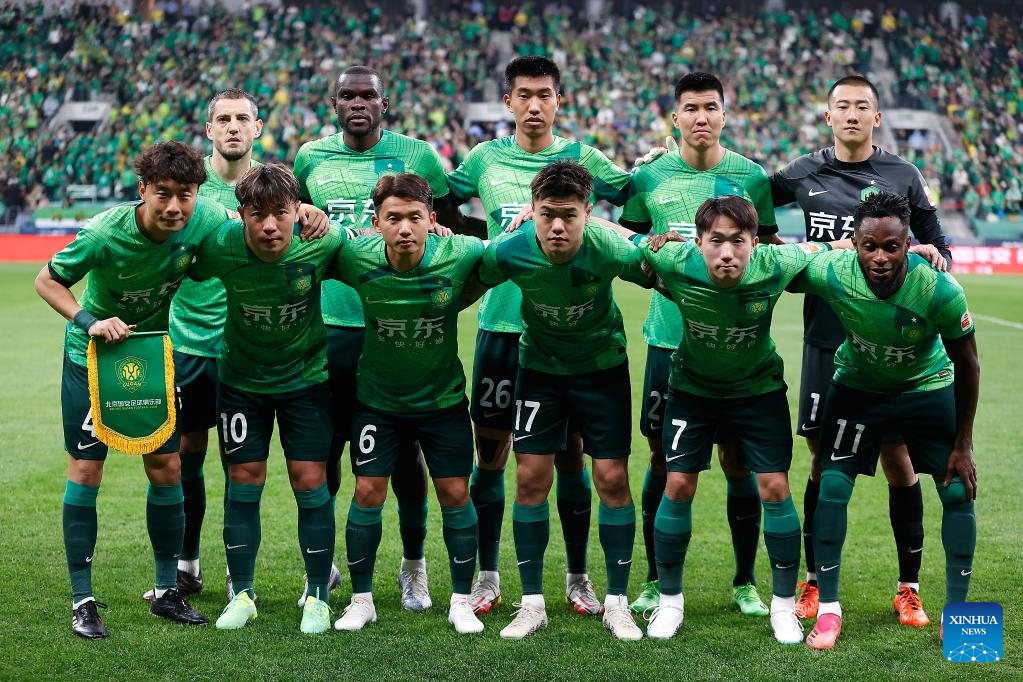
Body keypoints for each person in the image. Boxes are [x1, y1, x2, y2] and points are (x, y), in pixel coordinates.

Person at [447, 56, 633, 616]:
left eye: (544, 95)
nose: (534, 105)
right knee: (491, 454)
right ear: (508, 101)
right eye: (524, 95)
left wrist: (654, 166)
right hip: (500, 329)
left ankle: (578, 578)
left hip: (562, 341)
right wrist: (480, 236)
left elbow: (638, 195)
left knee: (571, 456)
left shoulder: (584, 159)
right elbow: (440, 204)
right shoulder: (484, 157)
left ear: (558, 100)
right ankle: (487, 575)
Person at [293, 65, 479, 610]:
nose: (357, 103)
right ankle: (324, 564)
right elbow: (298, 221)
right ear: (334, 105)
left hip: (402, 330)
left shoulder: (418, 156)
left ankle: (413, 566)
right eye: (347, 95)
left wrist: (442, 230)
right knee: (327, 451)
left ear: (384, 102)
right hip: (331, 327)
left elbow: (449, 225)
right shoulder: (310, 157)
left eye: (367, 95)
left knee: (407, 456)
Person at [769, 75, 952, 625]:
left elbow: (939, 245)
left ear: (877, 116)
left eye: (862, 106)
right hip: (826, 341)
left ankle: (908, 587)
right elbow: (748, 216)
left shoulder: (904, 175)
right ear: (828, 116)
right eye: (842, 106)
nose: (852, 114)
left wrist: (929, 254)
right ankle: (813, 582)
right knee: (822, 461)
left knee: (899, 461)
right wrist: (797, 249)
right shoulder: (801, 173)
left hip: (887, 346)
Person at [639, 194, 852, 644]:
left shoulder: (776, 261)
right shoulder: (673, 258)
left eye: (738, 241)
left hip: (758, 392)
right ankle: (670, 602)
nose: (727, 252)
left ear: (755, 243)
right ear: (697, 242)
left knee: (774, 487)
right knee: (678, 485)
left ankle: (783, 608)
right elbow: (611, 238)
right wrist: (532, 214)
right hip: (692, 391)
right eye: (715, 240)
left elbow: (831, 246)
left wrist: (912, 247)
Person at [34, 141, 225, 638]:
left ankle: (166, 591)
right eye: (163, 193)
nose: (174, 206)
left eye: (185, 195)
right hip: (91, 360)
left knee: (167, 466)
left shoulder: (205, 218)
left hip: (151, 358)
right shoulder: (105, 232)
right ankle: (82, 600)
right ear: (143, 190)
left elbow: (251, 222)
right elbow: (46, 280)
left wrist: (307, 212)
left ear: (197, 194)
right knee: (86, 470)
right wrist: (90, 321)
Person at [619, 71, 777, 617]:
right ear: (675, 117)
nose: (701, 117)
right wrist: (648, 243)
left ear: (724, 115)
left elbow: (768, 249)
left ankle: (745, 582)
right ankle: (653, 580)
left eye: (711, 107)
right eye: (691, 108)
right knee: (662, 459)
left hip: (735, 348)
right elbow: (632, 241)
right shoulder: (649, 176)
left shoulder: (751, 177)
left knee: (738, 462)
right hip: (668, 341)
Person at [794, 191, 978, 650]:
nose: (879, 257)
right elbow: (777, 267)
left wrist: (964, 444)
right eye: (869, 246)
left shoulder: (938, 288)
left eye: (891, 247)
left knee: (957, 490)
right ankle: (829, 610)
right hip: (857, 388)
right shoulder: (833, 270)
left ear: (908, 244)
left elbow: (969, 364)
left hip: (925, 387)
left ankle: (956, 615)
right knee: (832, 485)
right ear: (854, 244)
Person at [476, 160, 649, 641]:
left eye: (569, 215)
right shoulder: (511, 248)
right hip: (540, 371)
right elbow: (467, 277)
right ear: (531, 210)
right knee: (530, 477)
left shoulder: (609, 246)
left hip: (601, 369)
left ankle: (617, 603)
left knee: (611, 479)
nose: (557, 225)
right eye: (547, 213)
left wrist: (654, 243)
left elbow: (659, 272)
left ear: (587, 214)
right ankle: (532, 604)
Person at [189, 164, 346, 635]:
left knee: (310, 481)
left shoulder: (322, 240)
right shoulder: (221, 245)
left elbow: (372, 249)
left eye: (281, 212)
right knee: (243, 480)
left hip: (305, 381)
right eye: (258, 215)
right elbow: (179, 264)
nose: (271, 225)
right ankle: (242, 594)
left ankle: (317, 596)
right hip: (241, 383)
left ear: (297, 210)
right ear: (241, 215)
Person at [330, 173, 487, 635]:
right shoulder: (354, 255)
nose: (404, 229)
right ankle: (361, 600)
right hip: (377, 402)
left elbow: (504, 254)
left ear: (432, 220)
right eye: (393, 218)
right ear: (376, 223)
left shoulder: (460, 252)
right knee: (367, 492)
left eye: (415, 218)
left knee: (455, 493)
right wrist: (307, 212)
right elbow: (302, 243)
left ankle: (461, 601)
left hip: (442, 401)